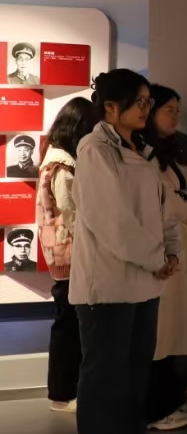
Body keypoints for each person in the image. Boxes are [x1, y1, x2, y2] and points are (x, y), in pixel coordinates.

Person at [71, 69, 180, 434]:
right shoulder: (94, 149)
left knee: (135, 369)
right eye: (139, 101)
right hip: (107, 284)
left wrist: (170, 250)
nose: (145, 108)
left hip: (143, 280)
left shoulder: (143, 150)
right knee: (105, 372)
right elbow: (110, 221)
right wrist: (155, 257)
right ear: (111, 107)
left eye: (148, 101)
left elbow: (163, 209)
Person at [144, 86, 187, 431]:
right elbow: (167, 204)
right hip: (159, 253)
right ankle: (156, 409)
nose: (175, 117)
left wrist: (185, 201)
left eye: (177, 110)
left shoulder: (173, 152)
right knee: (159, 333)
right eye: (169, 109)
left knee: (171, 332)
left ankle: (170, 400)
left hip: (178, 247)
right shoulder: (141, 155)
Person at [37, 97, 95, 413]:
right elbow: (72, 215)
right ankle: (63, 392)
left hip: (62, 255)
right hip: (72, 255)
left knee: (67, 323)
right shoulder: (64, 166)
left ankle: (63, 391)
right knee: (69, 325)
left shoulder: (52, 160)